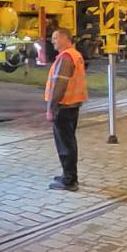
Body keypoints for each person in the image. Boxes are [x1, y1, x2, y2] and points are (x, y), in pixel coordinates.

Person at [44, 28, 88, 190]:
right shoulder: (76, 55)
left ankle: (69, 180)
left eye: (55, 38)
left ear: (65, 38)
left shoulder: (66, 58)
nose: (53, 41)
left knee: (65, 145)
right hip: (73, 105)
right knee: (69, 142)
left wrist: (50, 108)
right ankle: (68, 174)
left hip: (63, 107)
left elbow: (59, 85)